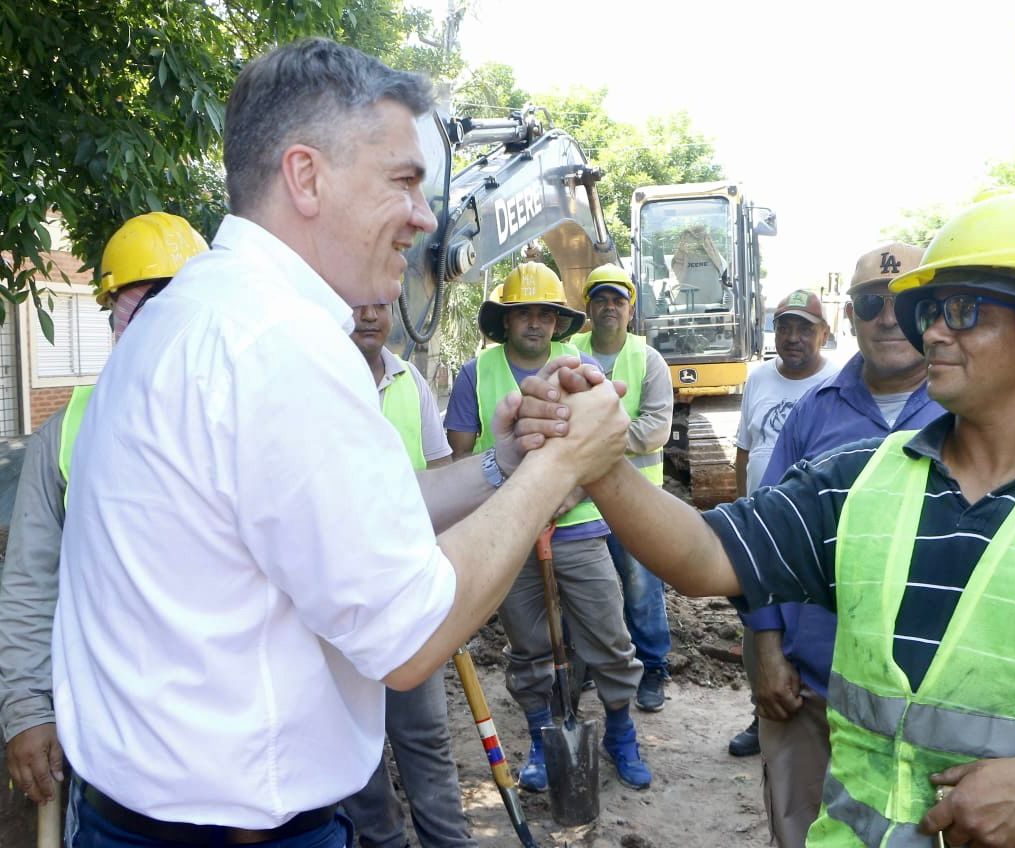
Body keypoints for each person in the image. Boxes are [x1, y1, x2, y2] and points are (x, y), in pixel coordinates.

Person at [52, 38, 630, 845]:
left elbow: (353, 522)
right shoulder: (281, 346)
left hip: (139, 817)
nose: (425, 217)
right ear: (306, 175)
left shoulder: (198, 315)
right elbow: (409, 634)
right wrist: (563, 464)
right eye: (402, 180)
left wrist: (503, 466)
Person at [546, 191, 1015, 847]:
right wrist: (600, 463)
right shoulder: (854, 481)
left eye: (964, 310)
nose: (930, 331)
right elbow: (701, 557)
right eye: (929, 310)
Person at [0, 212, 208, 806]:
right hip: (108, 739)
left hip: (224, 742)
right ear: (113, 310)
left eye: (178, 299)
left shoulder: (238, 416)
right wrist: (25, 709)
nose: (158, 318)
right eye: (143, 299)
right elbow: (30, 583)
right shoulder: (65, 434)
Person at [742, 244, 945, 847]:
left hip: (928, 694)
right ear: (851, 315)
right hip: (810, 689)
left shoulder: (969, 409)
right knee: (804, 829)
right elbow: (763, 542)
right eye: (871, 303)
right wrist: (767, 650)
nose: (888, 317)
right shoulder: (812, 415)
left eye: (905, 302)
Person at [445, 261, 652, 791]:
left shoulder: (579, 367)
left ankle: (620, 732)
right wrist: (517, 501)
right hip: (510, 533)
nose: (534, 323)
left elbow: (602, 448)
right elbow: (462, 457)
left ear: (558, 321)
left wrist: (566, 495)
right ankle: (541, 737)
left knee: (609, 638)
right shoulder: (478, 373)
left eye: (544, 313)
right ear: (505, 321)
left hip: (578, 528)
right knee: (530, 644)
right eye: (523, 314)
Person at [341, 302, 474, 848]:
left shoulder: (411, 381)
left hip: (407, 597)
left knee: (424, 736)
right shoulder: (318, 379)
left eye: (380, 305)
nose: (370, 315)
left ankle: (450, 842)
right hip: (341, 606)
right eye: (357, 305)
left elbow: (442, 474)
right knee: (358, 748)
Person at [729, 288, 838, 759]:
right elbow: (745, 450)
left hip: (812, 533)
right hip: (764, 531)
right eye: (785, 327)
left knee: (808, 626)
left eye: (804, 329)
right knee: (760, 628)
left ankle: (820, 720)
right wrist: (742, 509)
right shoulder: (757, 380)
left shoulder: (836, 385)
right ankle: (762, 715)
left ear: (824, 334)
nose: (793, 338)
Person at [568, 263, 674, 713]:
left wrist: (598, 441)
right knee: (590, 590)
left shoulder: (648, 360)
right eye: (600, 299)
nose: (609, 307)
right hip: (578, 501)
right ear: (588, 307)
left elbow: (656, 428)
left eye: (618, 300)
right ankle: (593, 664)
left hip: (635, 499)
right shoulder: (569, 352)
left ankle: (652, 667)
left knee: (639, 585)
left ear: (630, 309)